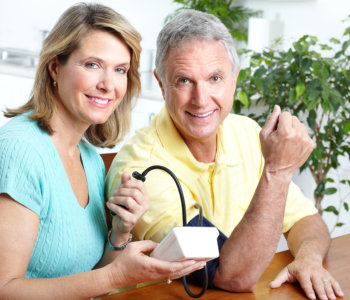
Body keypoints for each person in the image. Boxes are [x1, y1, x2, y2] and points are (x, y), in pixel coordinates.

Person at [106, 9, 344, 300]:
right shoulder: (141, 167)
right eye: (184, 80)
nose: (202, 99)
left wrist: (307, 258)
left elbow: (304, 220)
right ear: (160, 83)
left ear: (234, 79)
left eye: (215, 78)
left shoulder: (246, 132)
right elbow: (228, 275)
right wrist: (278, 172)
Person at [0, 4, 207, 299]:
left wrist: (120, 233)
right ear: (55, 67)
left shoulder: (90, 160)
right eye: (92, 65)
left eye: (120, 70)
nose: (108, 84)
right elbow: (4, 289)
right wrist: (117, 275)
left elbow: (88, 277)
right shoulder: (20, 150)